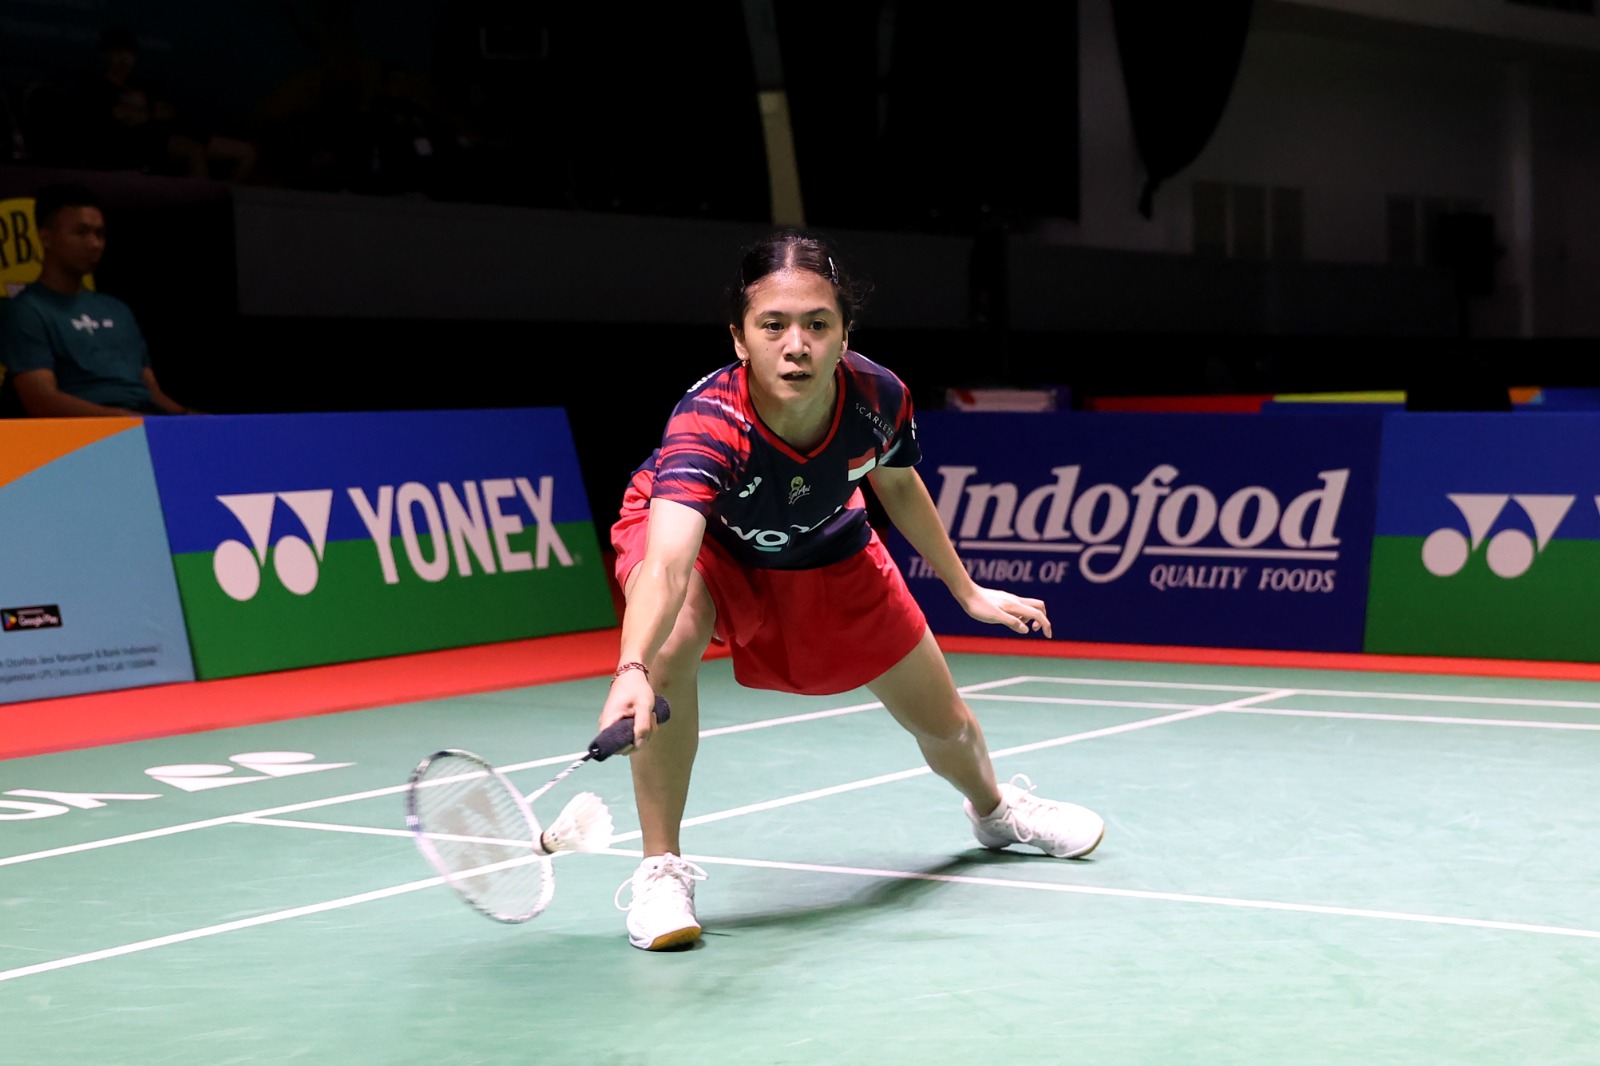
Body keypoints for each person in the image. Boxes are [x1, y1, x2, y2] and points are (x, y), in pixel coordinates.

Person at [600, 228, 1105, 951]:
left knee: (945, 722)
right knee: (669, 642)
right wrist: (632, 668)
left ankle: (995, 812)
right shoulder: (708, 423)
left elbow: (897, 484)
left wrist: (965, 590)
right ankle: (660, 869)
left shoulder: (876, 396)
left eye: (817, 324)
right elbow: (668, 565)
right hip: (711, 543)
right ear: (739, 339)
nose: (796, 345)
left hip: (824, 541)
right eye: (772, 325)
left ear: (844, 335)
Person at [0, 182, 194, 417]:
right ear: (46, 238)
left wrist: (191, 418)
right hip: (88, 433)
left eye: (99, 234)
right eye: (81, 232)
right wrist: (123, 420)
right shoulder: (27, 311)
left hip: (143, 423)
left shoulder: (118, 309)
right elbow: (42, 400)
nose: (94, 244)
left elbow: (152, 393)